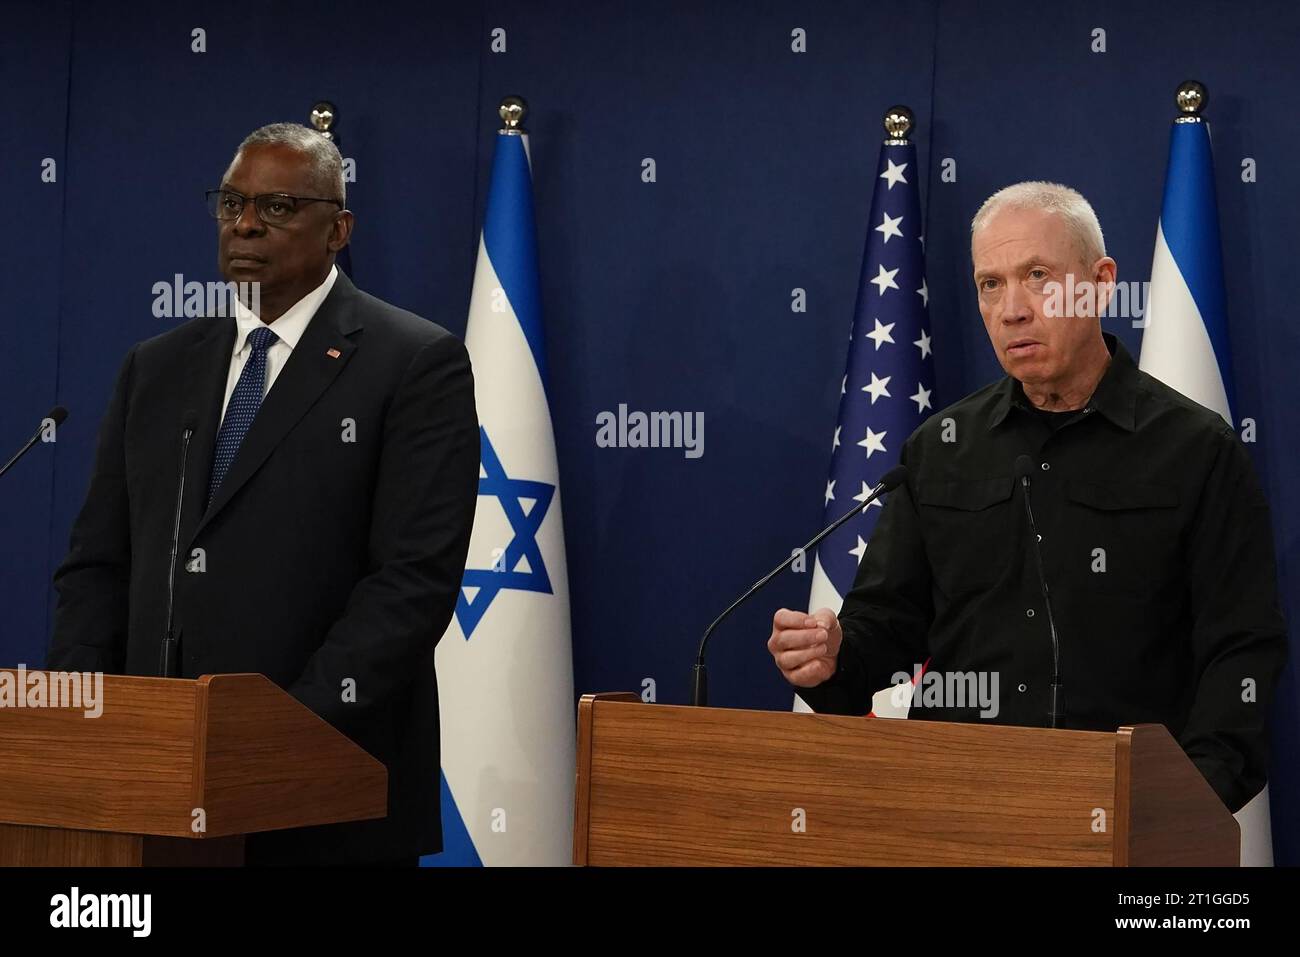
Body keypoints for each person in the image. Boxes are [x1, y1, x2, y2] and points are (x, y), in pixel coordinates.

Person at [768, 181, 1286, 814]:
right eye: (990, 284)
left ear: (1100, 282)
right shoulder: (941, 448)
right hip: (958, 807)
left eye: (1037, 276)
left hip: (1130, 811)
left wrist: (1190, 800)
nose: (1010, 309)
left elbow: (1240, 650)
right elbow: (887, 629)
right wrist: (834, 656)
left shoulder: (1197, 451)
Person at [48, 123, 480, 864]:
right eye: (230, 203)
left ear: (337, 229)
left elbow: (413, 580)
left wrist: (285, 731)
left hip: (326, 786)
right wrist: (85, 717)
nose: (244, 224)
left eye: (277, 208)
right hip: (155, 782)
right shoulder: (155, 368)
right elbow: (99, 564)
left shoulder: (415, 363)